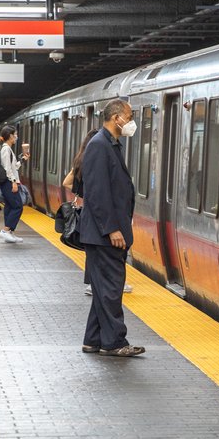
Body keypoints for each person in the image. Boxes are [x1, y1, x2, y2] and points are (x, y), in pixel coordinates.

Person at [78, 99, 145, 357]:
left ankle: (93, 340)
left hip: (104, 233)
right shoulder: (99, 146)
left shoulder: (110, 144)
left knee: (103, 289)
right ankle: (115, 342)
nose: (130, 122)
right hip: (104, 235)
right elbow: (96, 193)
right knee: (111, 289)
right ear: (116, 117)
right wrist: (112, 229)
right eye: (128, 116)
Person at [64, 129, 134, 297]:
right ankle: (96, 284)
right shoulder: (98, 151)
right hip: (99, 218)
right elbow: (99, 191)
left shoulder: (81, 159)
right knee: (102, 261)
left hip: (92, 215)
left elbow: (67, 182)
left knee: (94, 257)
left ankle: (94, 284)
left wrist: (82, 194)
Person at [0, 125, 30, 243]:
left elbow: (13, 167)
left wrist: (23, 159)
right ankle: (5, 231)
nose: (16, 137)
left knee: (10, 207)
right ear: (10, 136)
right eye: (15, 134)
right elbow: (7, 169)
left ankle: (10, 233)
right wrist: (14, 182)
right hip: (9, 182)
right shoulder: (6, 149)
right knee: (17, 206)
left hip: (9, 182)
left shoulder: (8, 149)